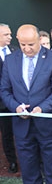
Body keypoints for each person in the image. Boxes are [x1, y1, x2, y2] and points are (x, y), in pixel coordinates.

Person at [0, 24, 52, 184]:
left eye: (31, 44)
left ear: (39, 40)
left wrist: (41, 108)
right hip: (22, 126)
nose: (27, 48)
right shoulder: (10, 60)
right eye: (23, 44)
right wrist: (16, 107)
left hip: (47, 124)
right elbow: (4, 90)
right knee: (29, 171)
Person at [0, 23, 17, 173]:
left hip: (20, 100)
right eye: (6, 34)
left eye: (10, 34)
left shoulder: (15, 50)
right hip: (2, 103)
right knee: (6, 134)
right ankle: (12, 161)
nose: (10, 37)